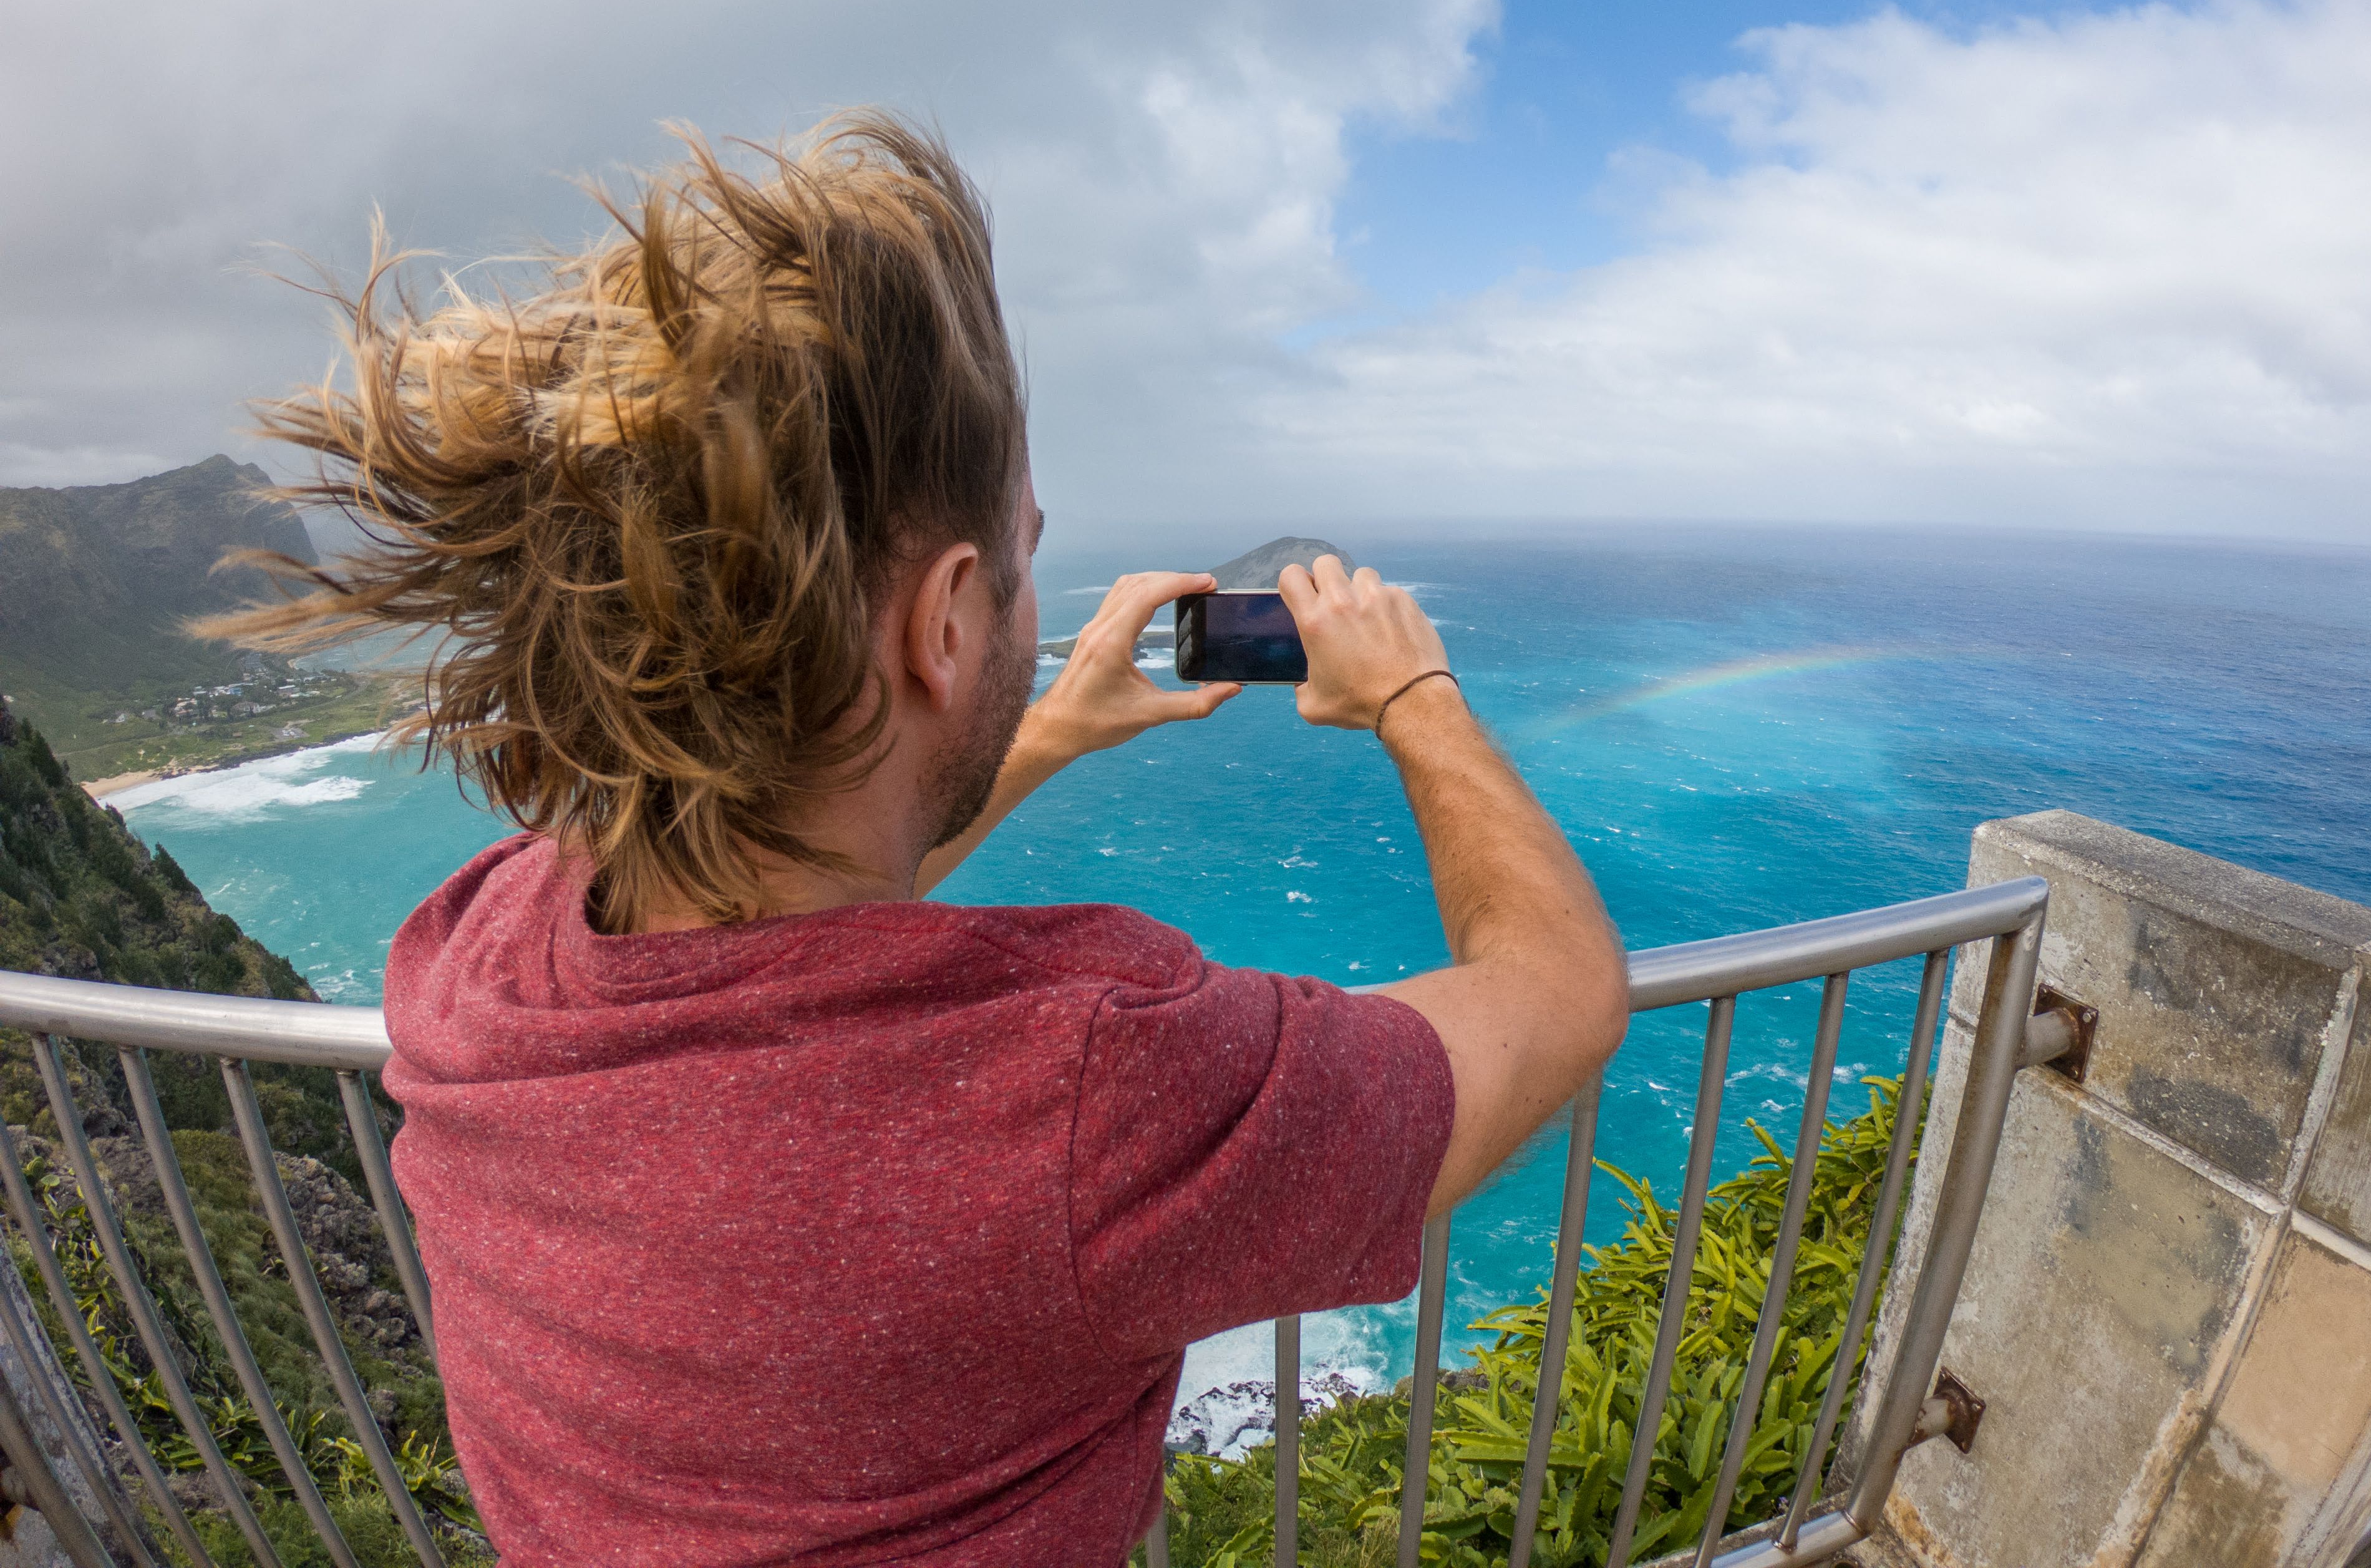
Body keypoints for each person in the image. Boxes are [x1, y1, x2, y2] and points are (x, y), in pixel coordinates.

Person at [211, 117, 1625, 1566]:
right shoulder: (1080, 1084)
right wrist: (1412, 694)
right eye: (1017, 559)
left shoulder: (481, 955)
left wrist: (1042, 732)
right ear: (945, 619)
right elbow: (1558, 999)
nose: (1026, 598)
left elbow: (777, 931)